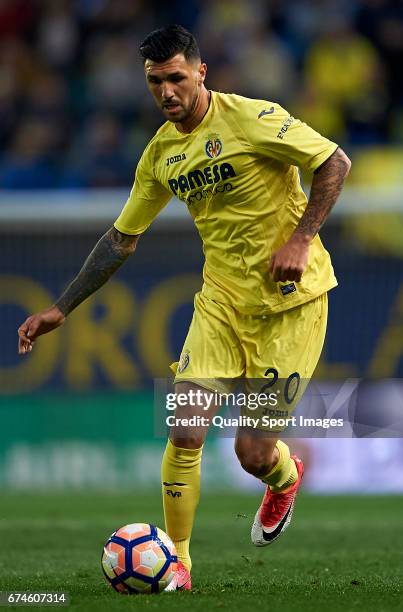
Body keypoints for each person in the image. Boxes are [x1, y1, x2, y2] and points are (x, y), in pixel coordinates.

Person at [18, 24, 351, 591]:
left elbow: (335, 163)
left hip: (293, 303)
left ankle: (284, 477)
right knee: (185, 429)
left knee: (252, 453)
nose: (166, 92)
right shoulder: (161, 154)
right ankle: (180, 565)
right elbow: (122, 238)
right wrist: (62, 308)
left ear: (200, 72)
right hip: (220, 302)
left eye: (176, 78)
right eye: (155, 82)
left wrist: (300, 239)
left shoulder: (252, 118)